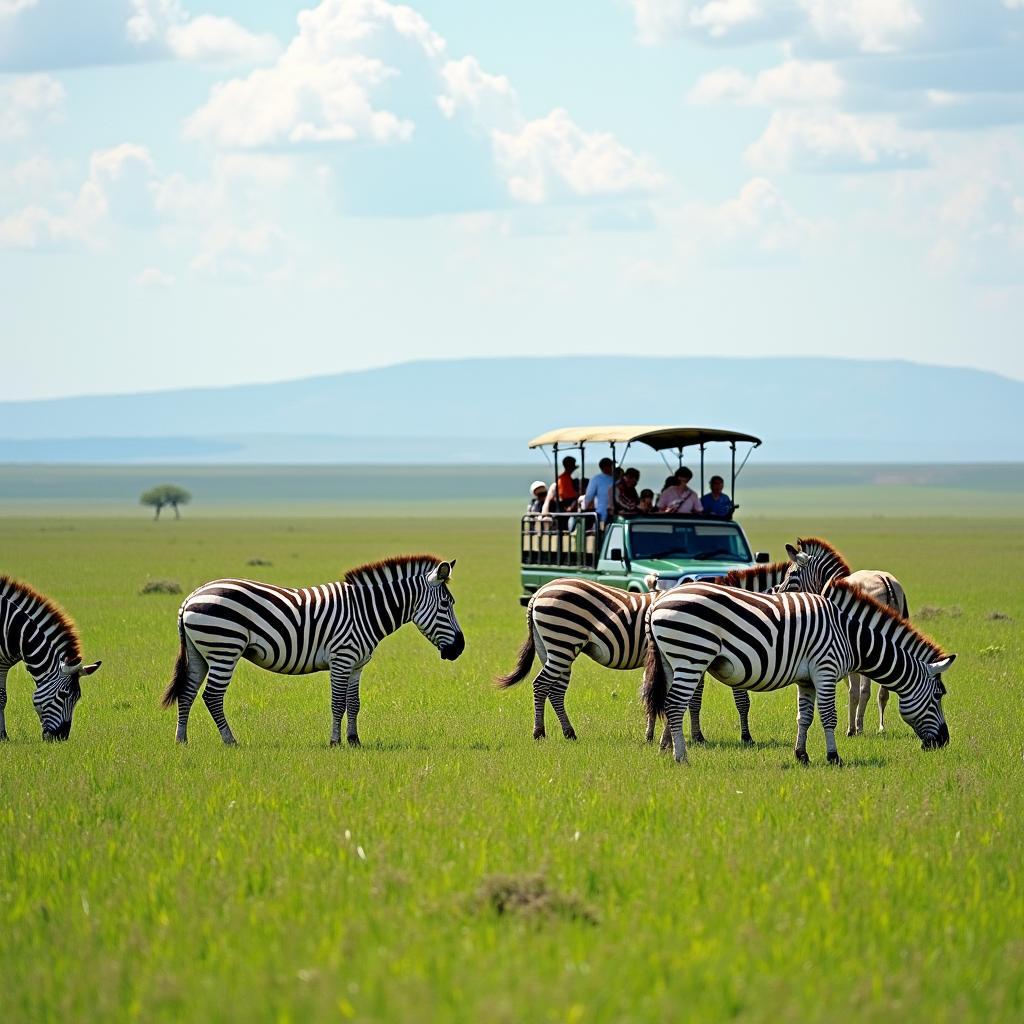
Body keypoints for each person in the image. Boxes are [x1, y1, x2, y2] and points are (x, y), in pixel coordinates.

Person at [584, 457, 616, 522]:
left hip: (602, 515)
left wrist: (585, 508)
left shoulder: (596, 479)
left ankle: (601, 530)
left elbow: (589, 496)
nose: (613, 468)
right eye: (612, 466)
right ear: (606, 467)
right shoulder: (615, 480)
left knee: (601, 529)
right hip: (614, 514)